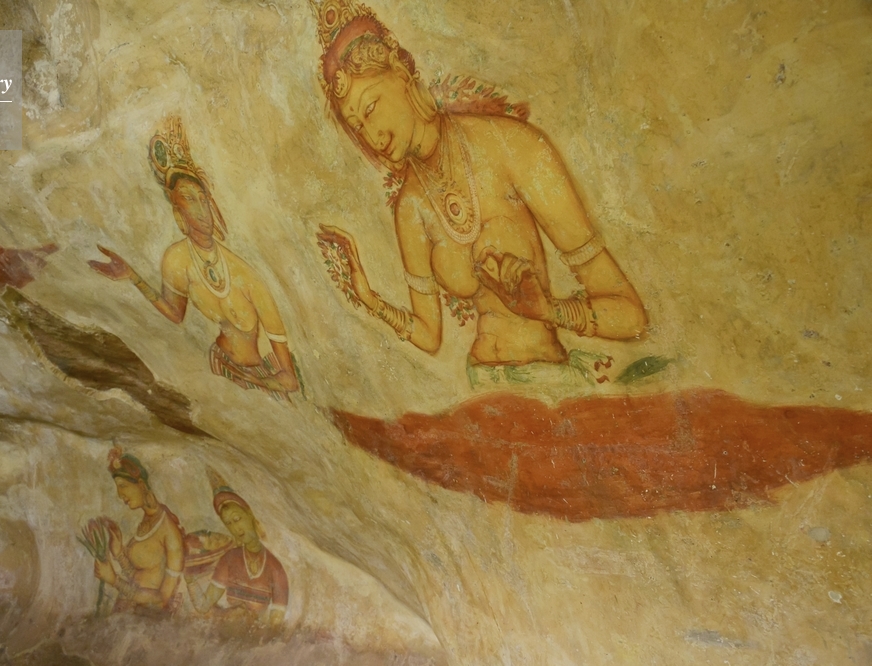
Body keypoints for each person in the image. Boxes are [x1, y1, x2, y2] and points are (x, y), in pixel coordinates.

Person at [312, 1, 648, 374]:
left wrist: (549, 311)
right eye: (358, 126)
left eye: (371, 108)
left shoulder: (513, 146)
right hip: (481, 380)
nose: (371, 135)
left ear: (400, 73)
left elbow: (631, 315)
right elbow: (429, 335)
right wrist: (370, 299)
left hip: (547, 378)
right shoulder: (409, 206)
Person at [89, 116, 299, 398]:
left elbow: (289, 381)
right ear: (178, 214)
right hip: (218, 363)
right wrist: (133, 277)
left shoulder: (246, 275)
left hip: (255, 375)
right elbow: (175, 314)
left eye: (202, 199)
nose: (201, 210)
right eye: (189, 200)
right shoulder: (177, 259)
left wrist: (252, 380)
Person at [190, 469, 288, 628]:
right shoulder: (229, 559)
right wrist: (190, 582)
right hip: (225, 633)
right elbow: (203, 605)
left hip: (252, 638)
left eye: (237, 519)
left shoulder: (275, 568)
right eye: (228, 523)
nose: (235, 528)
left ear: (249, 515)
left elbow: (274, 626)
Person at [94, 446, 185, 614]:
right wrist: (118, 552)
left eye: (123, 485)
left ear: (141, 485)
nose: (120, 494)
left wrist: (114, 580)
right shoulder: (147, 521)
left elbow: (162, 600)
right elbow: (138, 576)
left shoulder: (169, 532)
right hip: (128, 614)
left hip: (147, 620)